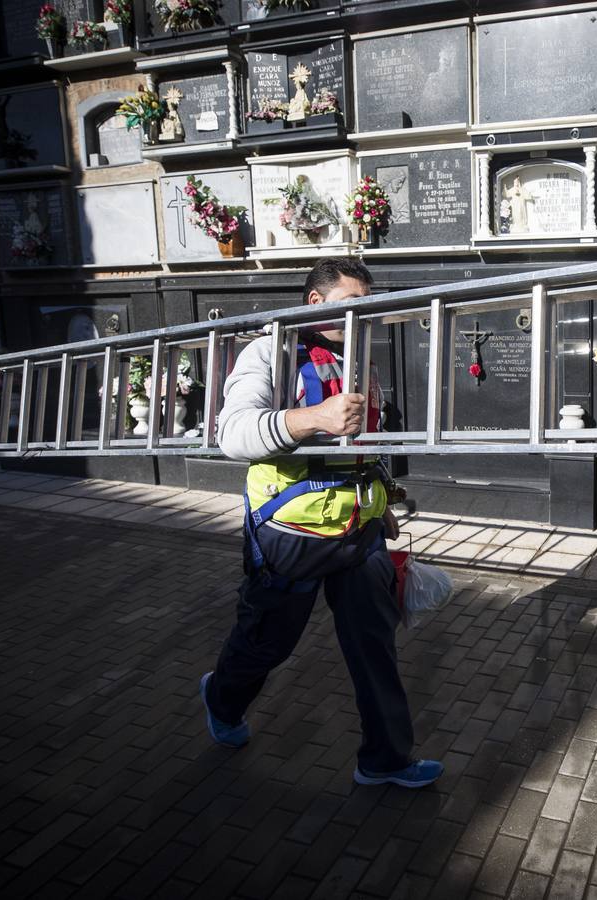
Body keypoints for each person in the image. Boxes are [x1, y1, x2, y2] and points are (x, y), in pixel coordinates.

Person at [200, 257, 442, 789]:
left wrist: (383, 499)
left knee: (372, 648)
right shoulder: (270, 351)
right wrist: (313, 418)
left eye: (369, 307)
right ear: (315, 302)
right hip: (290, 533)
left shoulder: (359, 361)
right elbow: (233, 433)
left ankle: (386, 760)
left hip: (361, 533)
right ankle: (222, 696)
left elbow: (361, 448)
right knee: (269, 642)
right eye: (354, 304)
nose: (366, 316)